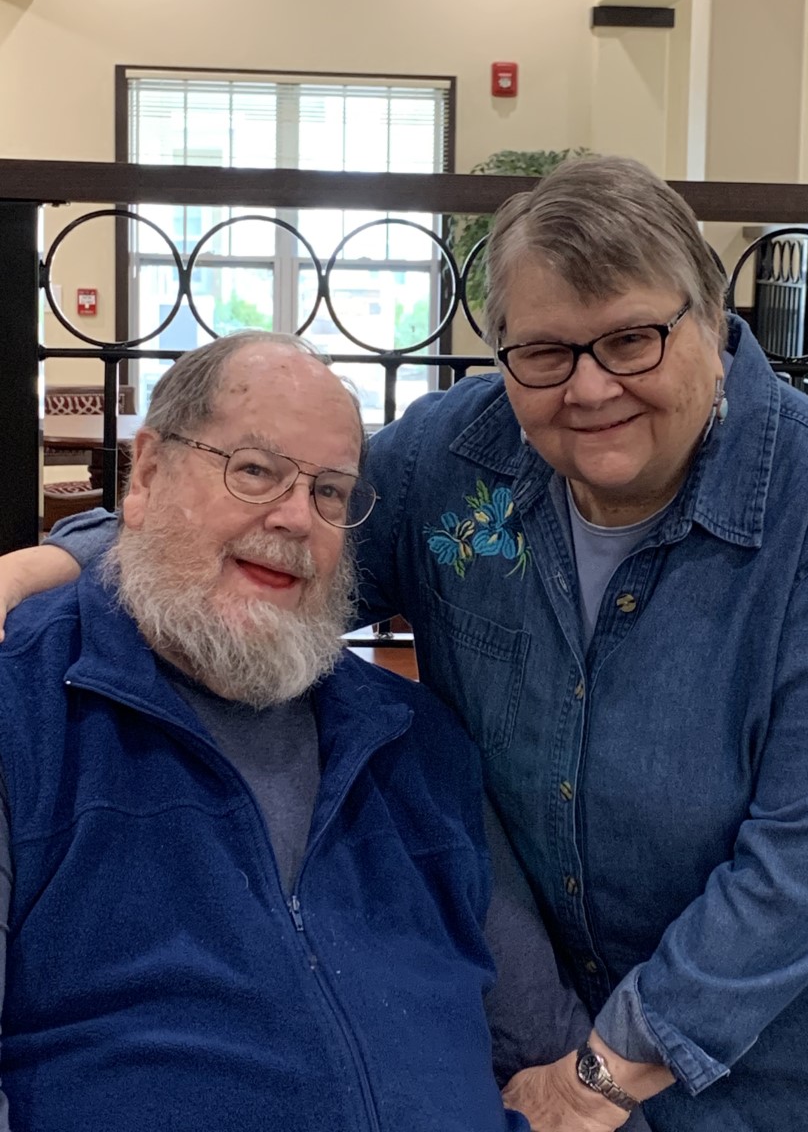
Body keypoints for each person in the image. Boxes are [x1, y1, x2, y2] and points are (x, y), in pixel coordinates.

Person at [5, 156, 808, 1131]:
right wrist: (64, 561)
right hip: (584, 1010)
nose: (589, 389)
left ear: (711, 321)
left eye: (632, 339)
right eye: (544, 351)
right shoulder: (458, 460)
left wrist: (601, 1070)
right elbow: (280, 536)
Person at [0, 333, 539, 1132]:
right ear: (145, 476)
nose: (294, 518)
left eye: (329, 492)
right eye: (254, 470)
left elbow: (543, 1029)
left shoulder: (411, 739)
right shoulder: (28, 706)